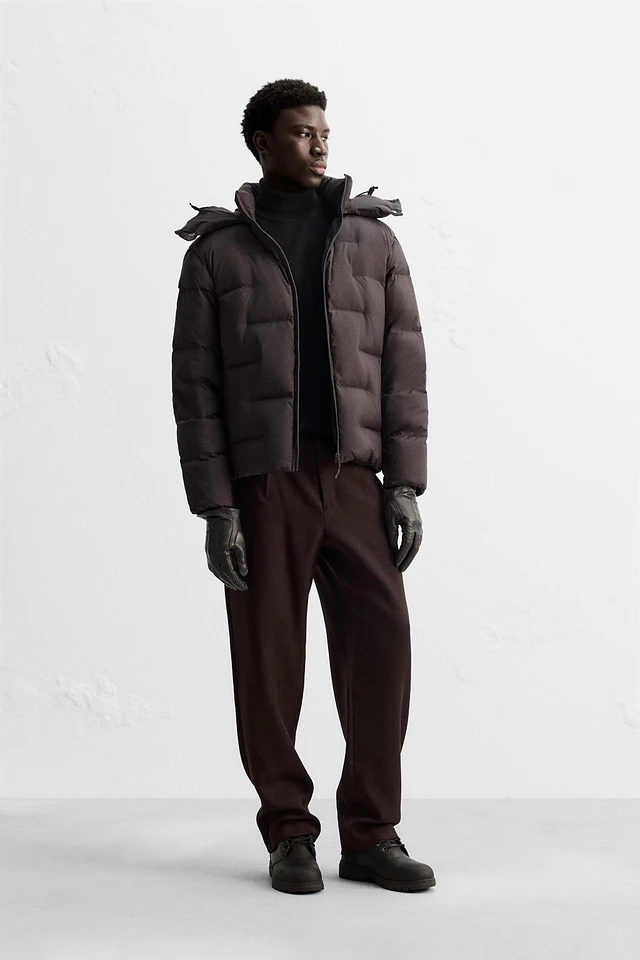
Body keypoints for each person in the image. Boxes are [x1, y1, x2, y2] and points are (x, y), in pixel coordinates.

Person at [172, 78, 435, 895]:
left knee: (384, 645)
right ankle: (289, 831)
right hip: (264, 486)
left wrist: (405, 483)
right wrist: (217, 506)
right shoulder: (216, 253)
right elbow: (195, 387)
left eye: (324, 131)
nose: (319, 144)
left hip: (355, 478)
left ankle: (372, 834)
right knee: (268, 664)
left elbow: (404, 364)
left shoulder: (372, 240)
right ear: (262, 142)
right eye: (299, 132)